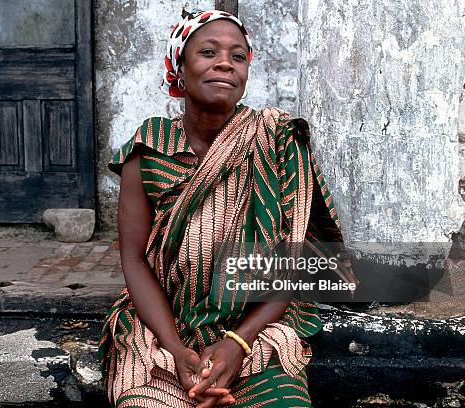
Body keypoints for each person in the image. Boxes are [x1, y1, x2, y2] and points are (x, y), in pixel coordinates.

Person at [98, 9, 354, 408]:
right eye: (208, 52)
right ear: (179, 67)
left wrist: (238, 342)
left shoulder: (277, 139)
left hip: (258, 330)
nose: (224, 63)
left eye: (238, 56)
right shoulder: (148, 146)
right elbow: (133, 259)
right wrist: (177, 350)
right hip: (163, 331)